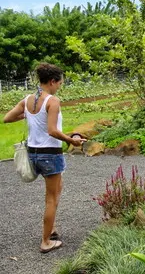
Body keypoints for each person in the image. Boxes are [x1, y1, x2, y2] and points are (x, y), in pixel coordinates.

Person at [3, 63, 86, 253]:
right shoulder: (52, 101)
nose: (59, 87)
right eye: (59, 83)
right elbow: (52, 131)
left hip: (33, 154)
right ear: (52, 81)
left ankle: (52, 228)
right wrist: (70, 140)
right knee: (51, 198)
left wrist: (30, 116)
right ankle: (46, 241)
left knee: (57, 190)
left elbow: (7, 118)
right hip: (50, 154)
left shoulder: (27, 99)